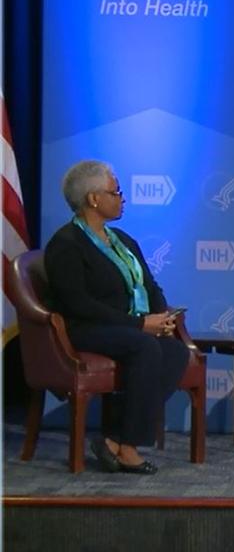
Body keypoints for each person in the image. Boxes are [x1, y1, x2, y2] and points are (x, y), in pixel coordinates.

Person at [44, 160, 188, 475]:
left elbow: (149, 285)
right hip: (84, 328)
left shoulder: (122, 240)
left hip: (126, 327)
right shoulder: (66, 244)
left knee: (176, 351)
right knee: (144, 346)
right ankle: (129, 447)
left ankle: (113, 440)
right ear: (94, 199)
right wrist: (140, 325)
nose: (122, 198)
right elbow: (77, 304)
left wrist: (159, 317)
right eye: (116, 192)